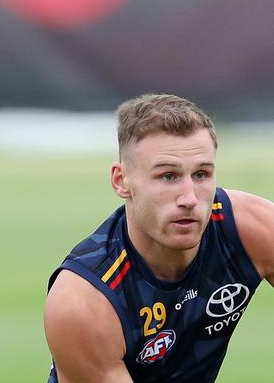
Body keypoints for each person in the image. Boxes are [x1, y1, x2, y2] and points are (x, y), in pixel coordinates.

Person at [44, 93, 274, 383]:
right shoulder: (84, 302)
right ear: (121, 181)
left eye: (201, 174)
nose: (190, 198)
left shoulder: (250, 228)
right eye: (168, 176)